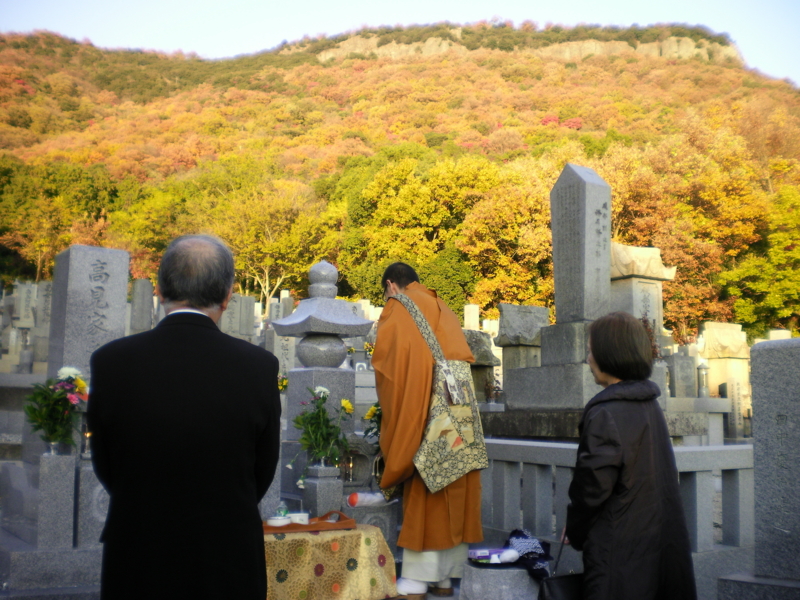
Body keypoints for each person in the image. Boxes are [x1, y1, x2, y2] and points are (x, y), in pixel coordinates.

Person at [88, 235, 281, 600]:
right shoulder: (257, 367)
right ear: (227, 296)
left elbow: (105, 460)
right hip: (226, 551)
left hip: (139, 547)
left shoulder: (112, 361)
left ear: (160, 289)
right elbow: (263, 467)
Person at [565, 312, 697, 600]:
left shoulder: (606, 413)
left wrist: (574, 530)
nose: (588, 359)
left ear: (608, 354)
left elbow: (592, 487)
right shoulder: (648, 405)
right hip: (655, 537)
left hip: (619, 545)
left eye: (590, 351)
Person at [371, 262, 483, 599]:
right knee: (454, 477)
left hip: (428, 404)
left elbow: (392, 372)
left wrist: (398, 425)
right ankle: (445, 578)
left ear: (391, 286)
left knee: (426, 479)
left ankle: (418, 579)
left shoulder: (398, 306)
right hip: (460, 405)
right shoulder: (441, 306)